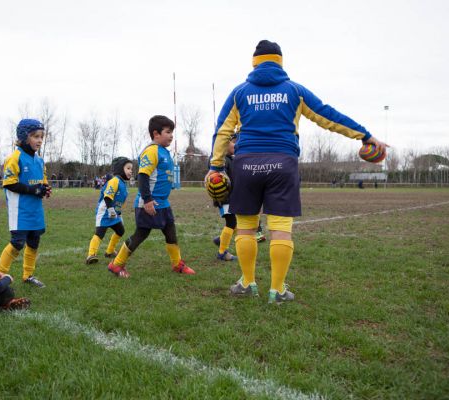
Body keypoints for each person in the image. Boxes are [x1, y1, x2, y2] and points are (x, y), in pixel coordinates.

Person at [208, 40, 387, 304]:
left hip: (246, 164)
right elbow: (328, 116)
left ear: (254, 62)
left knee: (245, 228)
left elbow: (223, 130)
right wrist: (365, 135)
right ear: (280, 61)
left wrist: (215, 166)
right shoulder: (295, 91)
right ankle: (277, 291)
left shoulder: (239, 92)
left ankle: (247, 283)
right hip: (283, 163)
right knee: (280, 229)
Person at [108, 115, 195, 278]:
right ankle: (116, 264)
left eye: (172, 132)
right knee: (141, 234)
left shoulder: (165, 152)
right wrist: (147, 200)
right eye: (168, 132)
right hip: (148, 203)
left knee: (171, 231)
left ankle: (177, 264)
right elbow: (143, 176)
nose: (171, 136)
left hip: (163, 203)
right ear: (156, 134)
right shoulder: (152, 151)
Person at [0, 119, 50, 288]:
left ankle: (28, 275)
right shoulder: (14, 158)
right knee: (18, 242)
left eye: (41, 136)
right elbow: (10, 183)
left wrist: (45, 189)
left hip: (35, 209)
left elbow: (42, 182)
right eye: (35, 136)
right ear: (24, 137)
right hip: (19, 210)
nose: (40, 140)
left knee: (34, 242)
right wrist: (34, 190)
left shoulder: (40, 161)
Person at [211, 134, 266, 262]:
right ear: (223, 145)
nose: (234, 145)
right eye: (232, 142)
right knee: (231, 223)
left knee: (234, 223)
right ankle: (222, 252)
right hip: (225, 199)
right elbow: (219, 180)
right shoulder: (221, 161)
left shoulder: (231, 159)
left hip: (232, 199)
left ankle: (220, 240)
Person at [86, 157, 133, 264]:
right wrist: (111, 210)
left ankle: (110, 251)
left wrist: (118, 212)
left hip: (114, 213)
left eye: (131, 169)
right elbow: (108, 197)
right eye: (128, 168)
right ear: (121, 169)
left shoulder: (123, 184)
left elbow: (119, 201)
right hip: (104, 212)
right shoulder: (115, 181)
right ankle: (91, 255)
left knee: (120, 231)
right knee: (100, 233)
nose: (131, 171)